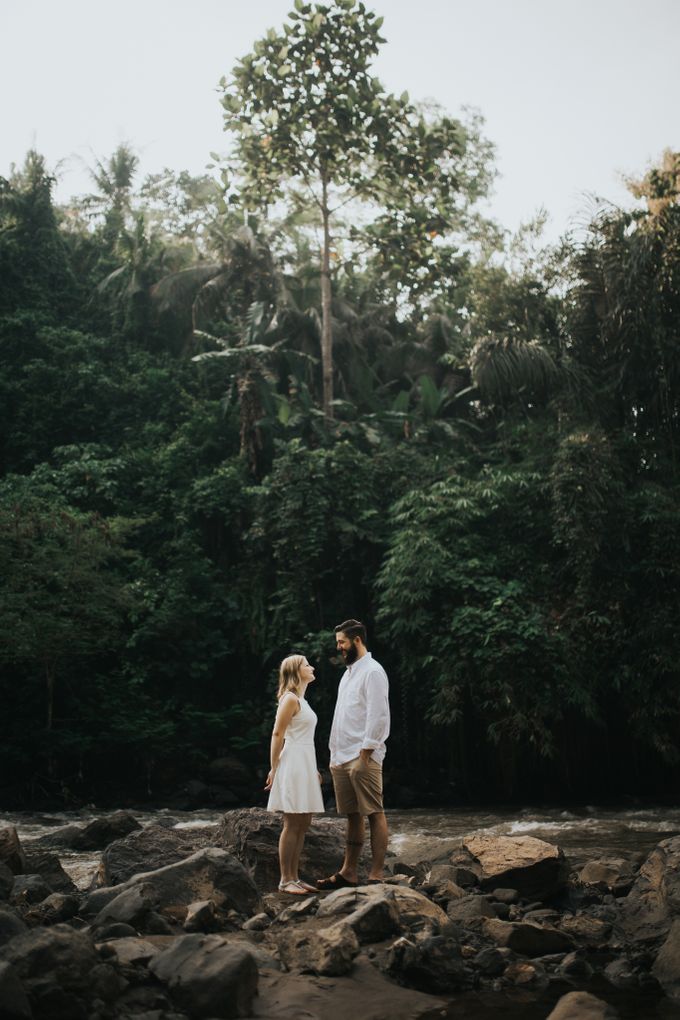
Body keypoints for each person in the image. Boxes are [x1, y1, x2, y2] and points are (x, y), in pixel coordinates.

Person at [317, 619, 390, 890]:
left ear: (357, 640)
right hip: (341, 756)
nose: (339, 647)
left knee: (374, 812)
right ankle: (349, 872)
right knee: (352, 816)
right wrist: (334, 754)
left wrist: (366, 752)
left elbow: (378, 715)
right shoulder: (347, 674)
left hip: (363, 756)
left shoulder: (373, 671)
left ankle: (377, 873)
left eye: (342, 642)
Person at [265, 653, 324, 894]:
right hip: (292, 762)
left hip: (305, 762)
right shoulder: (289, 699)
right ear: (296, 672)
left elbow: (306, 738)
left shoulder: (303, 700)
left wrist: (314, 769)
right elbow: (277, 734)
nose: (311, 667)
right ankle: (285, 880)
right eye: (306, 665)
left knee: (304, 822)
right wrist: (274, 767)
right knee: (292, 822)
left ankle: (295, 877)